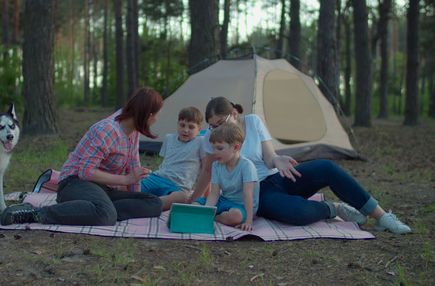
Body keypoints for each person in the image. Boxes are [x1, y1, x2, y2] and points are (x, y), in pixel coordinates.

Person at [190, 97, 411, 234]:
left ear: (235, 114)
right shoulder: (213, 138)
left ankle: (382, 217)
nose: (214, 129)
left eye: (220, 123)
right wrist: (193, 201)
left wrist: (277, 160)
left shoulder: (254, 122)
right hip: (258, 192)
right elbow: (209, 171)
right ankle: (333, 208)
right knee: (298, 212)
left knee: (326, 167)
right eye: (211, 126)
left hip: (276, 176)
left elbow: (269, 156)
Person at [0, 87, 164, 226]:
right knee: (106, 214)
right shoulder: (108, 130)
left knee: (154, 203)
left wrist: (135, 195)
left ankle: (89, 210)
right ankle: (36, 213)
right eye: (158, 115)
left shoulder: (133, 131)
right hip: (74, 183)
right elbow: (85, 172)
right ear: (149, 115)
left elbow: (133, 170)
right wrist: (125, 180)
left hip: (103, 189)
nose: (158, 119)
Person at [193, 123, 259, 231]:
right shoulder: (216, 165)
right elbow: (214, 192)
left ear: (235, 148)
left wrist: (248, 221)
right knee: (195, 204)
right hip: (223, 200)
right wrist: (207, 210)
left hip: (240, 207)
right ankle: (208, 215)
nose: (214, 152)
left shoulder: (247, 166)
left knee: (235, 216)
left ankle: (215, 217)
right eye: (213, 148)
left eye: (219, 148)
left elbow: (248, 195)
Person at [141, 107, 206, 210]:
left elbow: (206, 170)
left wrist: (203, 197)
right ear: (177, 124)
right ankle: (142, 200)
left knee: (181, 197)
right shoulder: (169, 138)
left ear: (199, 130)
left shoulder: (200, 142)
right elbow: (164, 162)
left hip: (177, 186)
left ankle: (146, 205)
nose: (185, 130)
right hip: (157, 178)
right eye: (182, 125)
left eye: (191, 127)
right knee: (132, 185)